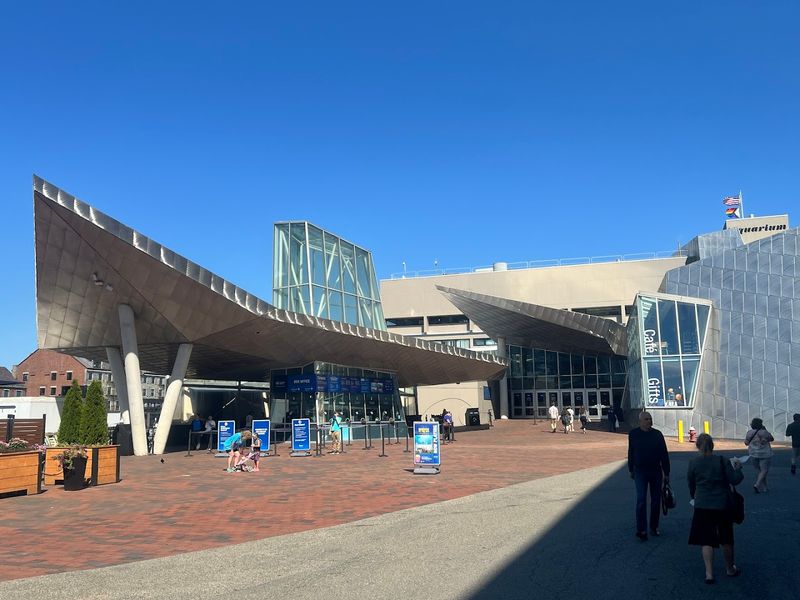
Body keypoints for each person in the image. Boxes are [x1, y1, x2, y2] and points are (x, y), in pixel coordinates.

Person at [687, 433, 744, 583]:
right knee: (726, 538)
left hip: (703, 503)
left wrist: (695, 496)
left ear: (697, 446)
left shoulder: (693, 462)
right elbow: (735, 480)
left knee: (706, 539)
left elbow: (691, 483)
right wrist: (738, 468)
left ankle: (709, 573)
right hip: (722, 503)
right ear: (713, 446)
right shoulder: (721, 460)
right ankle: (730, 568)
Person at [628, 411, 671, 541]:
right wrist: (631, 469)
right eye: (646, 419)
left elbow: (664, 454)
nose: (649, 421)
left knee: (656, 500)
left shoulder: (657, 435)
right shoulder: (633, 434)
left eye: (650, 419)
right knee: (641, 500)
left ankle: (654, 527)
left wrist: (666, 472)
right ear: (640, 421)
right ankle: (641, 530)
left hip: (655, 471)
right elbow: (631, 452)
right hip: (640, 471)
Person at [745, 418, 774, 493]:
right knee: (764, 470)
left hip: (753, 453)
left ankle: (765, 487)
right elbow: (771, 439)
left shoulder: (749, 432)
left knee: (760, 471)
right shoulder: (764, 432)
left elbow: (746, 443)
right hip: (765, 453)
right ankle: (757, 485)